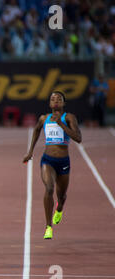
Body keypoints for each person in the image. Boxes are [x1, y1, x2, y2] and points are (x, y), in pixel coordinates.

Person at [23, 91, 82, 239]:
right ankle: (48, 226)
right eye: (53, 99)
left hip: (63, 162)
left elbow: (78, 138)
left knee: (61, 196)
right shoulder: (44, 119)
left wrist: (61, 124)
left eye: (59, 99)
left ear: (63, 103)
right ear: (49, 103)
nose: (55, 101)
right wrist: (30, 152)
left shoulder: (69, 118)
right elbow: (36, 131)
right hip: (47, 160)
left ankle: (60, 208)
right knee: (49, 188)